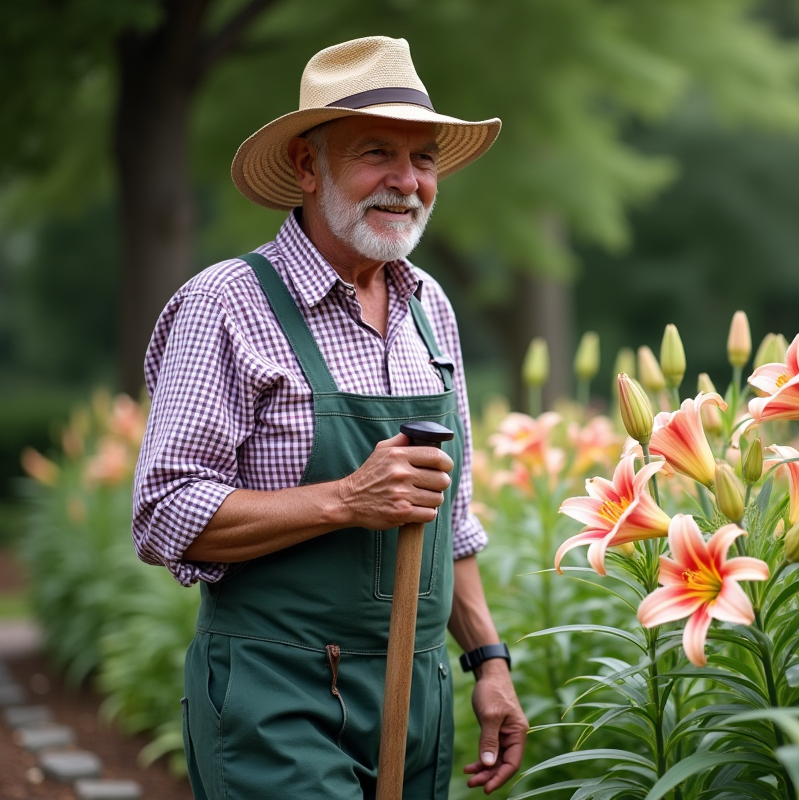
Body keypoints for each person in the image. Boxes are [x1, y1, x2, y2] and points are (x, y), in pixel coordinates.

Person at [131, 36, 527, 799]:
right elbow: (164, 513)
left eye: (425, 159)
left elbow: (456, 519)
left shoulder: (429, 308)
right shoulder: (228, 305)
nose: (406, 182)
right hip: (277, 697)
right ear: (308, 167)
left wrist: (489, 661)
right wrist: (347, 500)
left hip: (419, 700)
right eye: (377, 153)